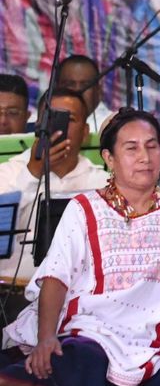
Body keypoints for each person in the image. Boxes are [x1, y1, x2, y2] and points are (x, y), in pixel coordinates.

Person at [0, 109, 160, 386]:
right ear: (109, 159)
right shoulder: (84, 208)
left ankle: (19, 380)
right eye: (131, 148)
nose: (145, 157)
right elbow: (55, 277)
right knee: (77, 356)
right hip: (89, 330)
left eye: (151, 146)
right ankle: (35, 374)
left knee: (158, 378)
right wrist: (46, 338)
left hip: (151, 343)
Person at [0, 89, 107, 283]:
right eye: (52, 117)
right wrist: (32, 173)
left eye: (69, 118)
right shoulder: (6, 173)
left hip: (80, 293)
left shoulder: (102, 183)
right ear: (37, 126)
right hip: (11, 291)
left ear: (84, 133)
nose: (59, 126)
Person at [54, 55, 113, 131]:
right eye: (70, 84)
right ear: (57, 88)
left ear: (98, 89)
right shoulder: (42, 123)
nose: (77, 90)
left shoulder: (113, 125)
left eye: (86, 85)